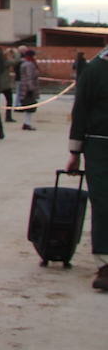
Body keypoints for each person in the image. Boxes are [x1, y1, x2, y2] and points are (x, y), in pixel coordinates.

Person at [67, 41, 108, 291]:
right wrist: (75, 151)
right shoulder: (95, 70)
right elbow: (80, 110)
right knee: (104, 203)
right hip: (100, 147)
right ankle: (105, 263)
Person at [18, 49, 40, 131]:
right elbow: (29, 77)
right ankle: (27, 123)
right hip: (28, 89)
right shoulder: (29, 65)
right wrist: (31, 88)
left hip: (25, 88)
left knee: (29, 107)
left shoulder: (25, 64)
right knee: (30, 107)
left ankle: (27, 123)